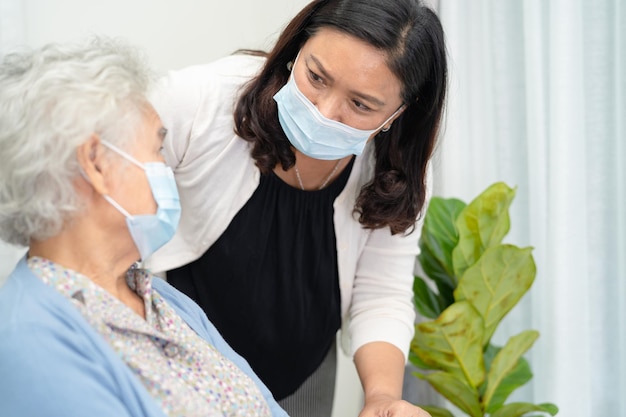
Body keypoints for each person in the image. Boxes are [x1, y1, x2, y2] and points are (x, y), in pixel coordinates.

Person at [146, 0, 447, 416]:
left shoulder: (395, 170)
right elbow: (107, 208)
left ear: (398, 113)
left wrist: (381, 399)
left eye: (361, 105)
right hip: (182, 368)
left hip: (301, 377)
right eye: (316, 76)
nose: (325, 112)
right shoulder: (199, 101)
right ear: (296, 51)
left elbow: (380, 294)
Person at [0, 38, 288, 417]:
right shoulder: (29, 341)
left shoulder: (161, 299)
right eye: (156, 150)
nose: (166, 168)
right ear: (97, 164)